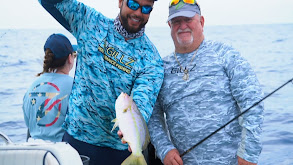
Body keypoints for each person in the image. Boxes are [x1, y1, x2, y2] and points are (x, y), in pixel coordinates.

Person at [38, 0, 164, 164]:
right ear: (120, 2)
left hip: (119, 152)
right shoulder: (89, 22)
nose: (138, 13)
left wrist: (132, 130)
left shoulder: (152, 59)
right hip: (77, 141)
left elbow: (142, 103)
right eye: (133, 4)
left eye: (146, 9)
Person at [148, 0, 264, 165]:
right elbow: (153, 116)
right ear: (169, 26)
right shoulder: (160, 69)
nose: (182, 26)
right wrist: (164, 149)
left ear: (201, 22)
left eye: (188, 20)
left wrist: (249, 154)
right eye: (176, 22)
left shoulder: (226, 55)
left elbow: (253, 103)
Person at [23, 33, 76, 142]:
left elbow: (29, 124)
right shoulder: (75, 86)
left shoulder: (31, 87)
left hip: (35, 151)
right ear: (70, 58)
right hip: (61, 154)